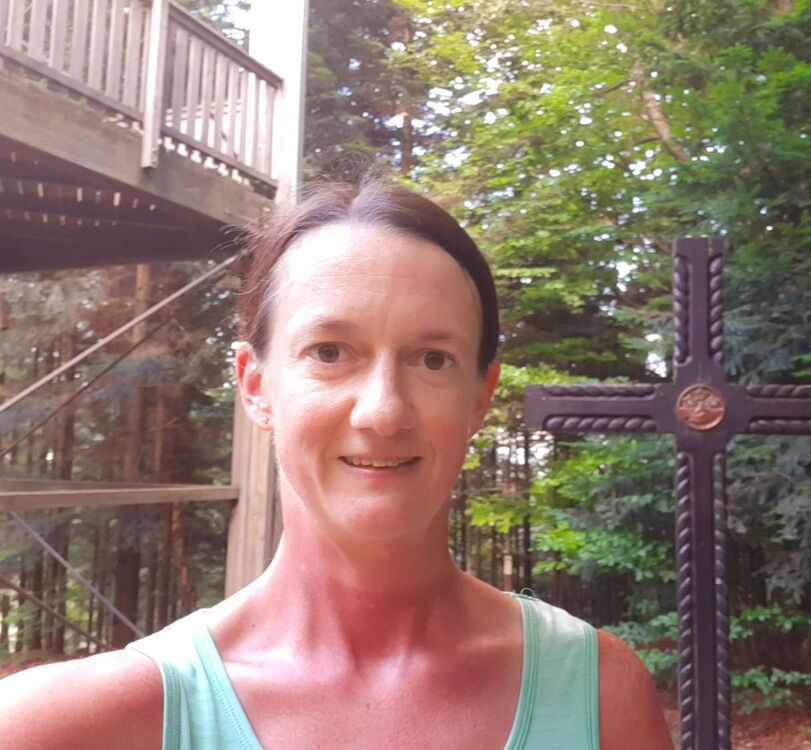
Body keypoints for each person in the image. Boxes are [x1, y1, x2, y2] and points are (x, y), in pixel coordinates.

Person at [0, 180, 674, 749]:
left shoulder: (597, 695)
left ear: (480, 396)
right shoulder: (73, 727)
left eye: (432, 359)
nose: (383, 411)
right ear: (255, 385)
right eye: (329, 352)